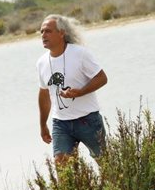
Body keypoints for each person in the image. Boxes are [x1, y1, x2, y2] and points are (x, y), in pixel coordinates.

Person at [37, 14, 108, 163]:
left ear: (62, 33)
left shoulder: (80, 53)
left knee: (105, 164)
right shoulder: (42, 62)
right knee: (63, 168)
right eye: (42, 31)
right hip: (60, 124)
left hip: (87, 120)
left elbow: (101, 78)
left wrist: (81, 92)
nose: (43, 35)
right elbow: (44, 95)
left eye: (48, 31)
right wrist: (43, 125)